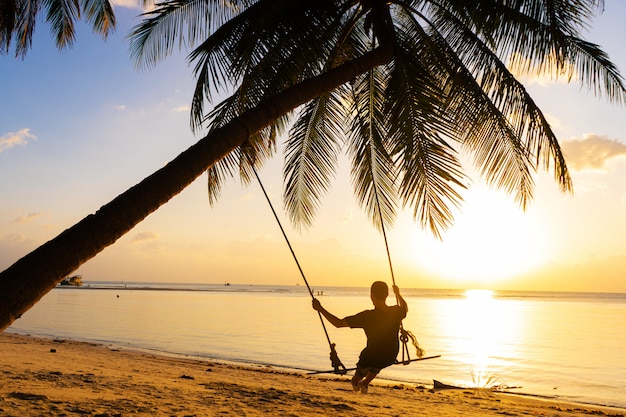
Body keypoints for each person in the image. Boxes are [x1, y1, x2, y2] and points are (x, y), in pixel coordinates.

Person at [312, 281, 408, 393]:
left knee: (360, 373)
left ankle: (357, 382)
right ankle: (365, 383)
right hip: (390, 356)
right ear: (387, 295)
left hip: (371, 357)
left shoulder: (367, 316)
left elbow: (338, 323)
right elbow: (405, 307)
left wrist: (320, 308)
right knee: (378, 365)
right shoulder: (396, 311)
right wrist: (398, 294)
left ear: (372, 295)